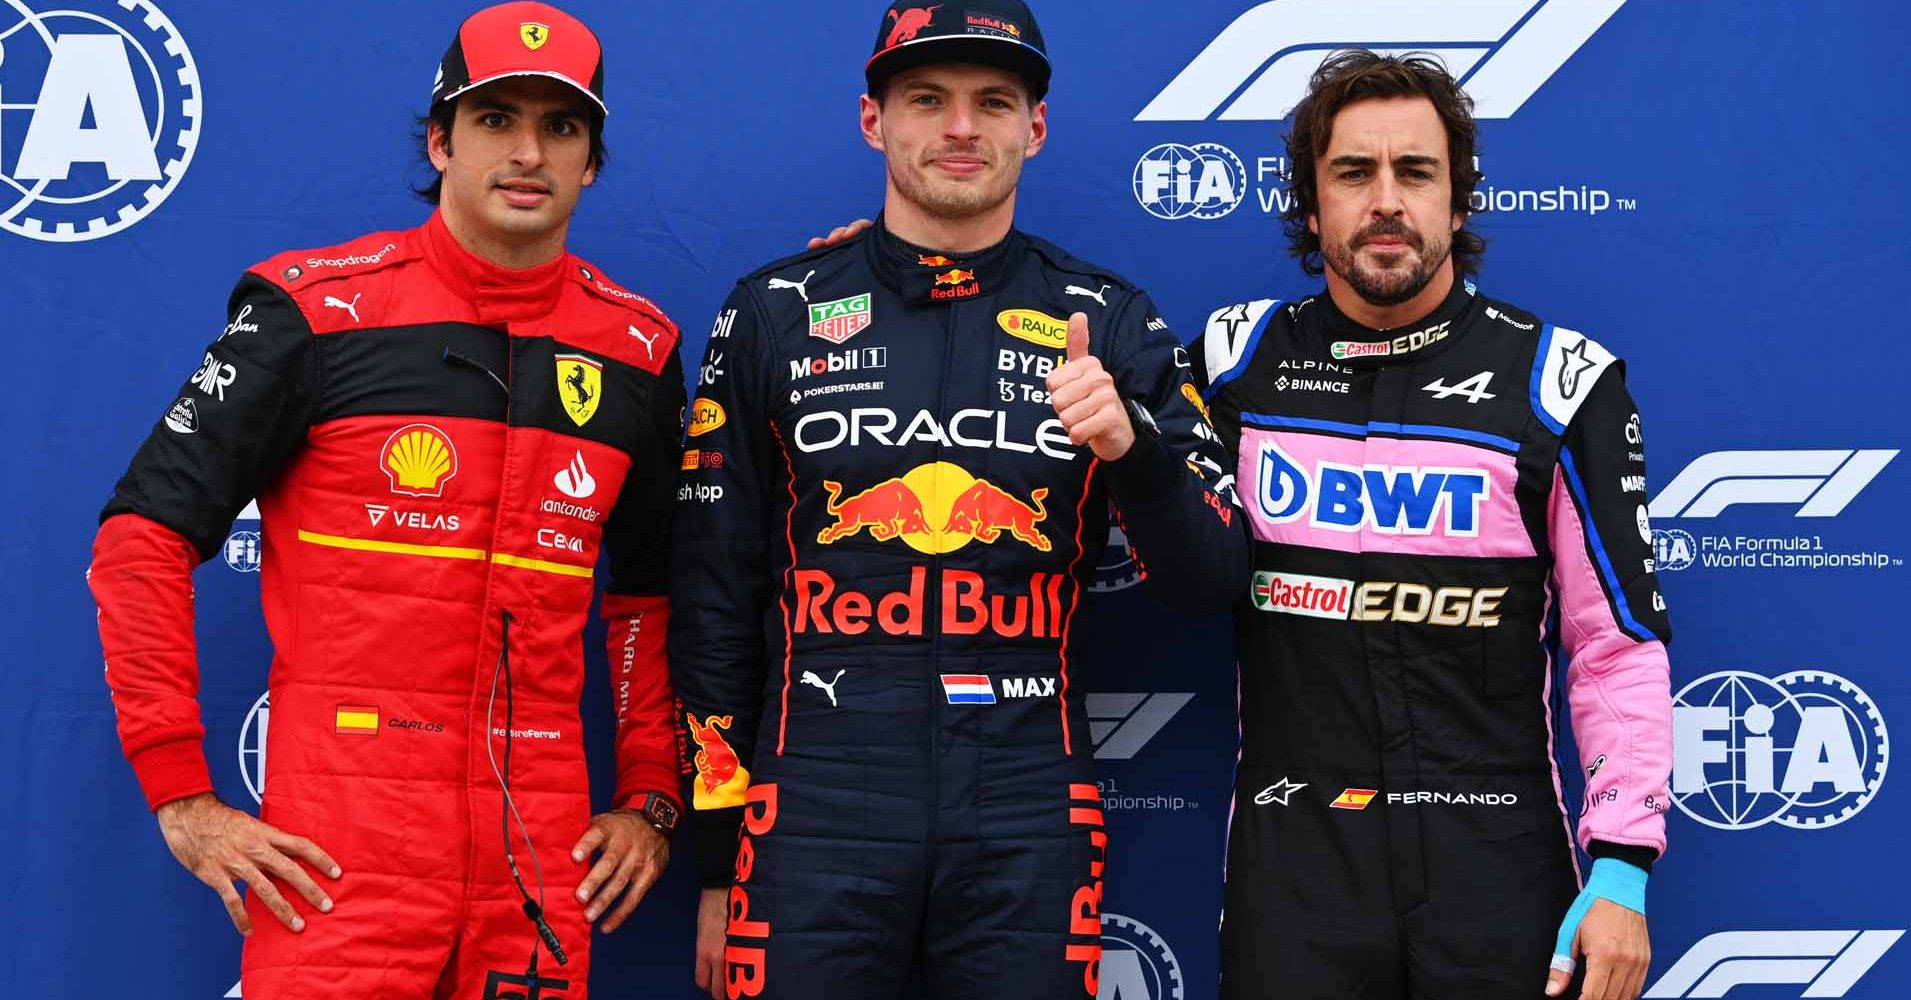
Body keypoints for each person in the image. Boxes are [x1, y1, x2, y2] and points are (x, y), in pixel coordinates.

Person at [87, 4, 686, 996]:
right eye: (497, 119)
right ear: (441, 139)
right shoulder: (311, 314)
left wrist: (654, 792)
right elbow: (141, 538)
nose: (528, 151)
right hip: (337, 854)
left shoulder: (638, 353)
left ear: (593, 160)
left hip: (538, 852)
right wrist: (180, 791)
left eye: (562, 126)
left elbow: (655, 593)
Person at [669, 2, 1247, 998]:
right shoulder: (772, 309)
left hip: (1026, 811)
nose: (961, 128)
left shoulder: (1107, 317)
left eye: (994, 102)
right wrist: (719, 859)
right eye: (927, 100)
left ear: (1037, 127)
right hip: (811, 808)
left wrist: (1131, 449)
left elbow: (1215, 577)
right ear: (872, 121)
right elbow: (713, 595)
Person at [1193, 51, 1673, 1000]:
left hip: (1494, 856)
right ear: (1311, 203)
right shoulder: (1229, 363)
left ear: (1458, 204)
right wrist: (886, 272)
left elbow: (1614, 644)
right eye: (1352, 173)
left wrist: (1622, 863)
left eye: (1416, 173)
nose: (1385, 201)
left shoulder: (1561, 380)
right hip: (1297, 859)